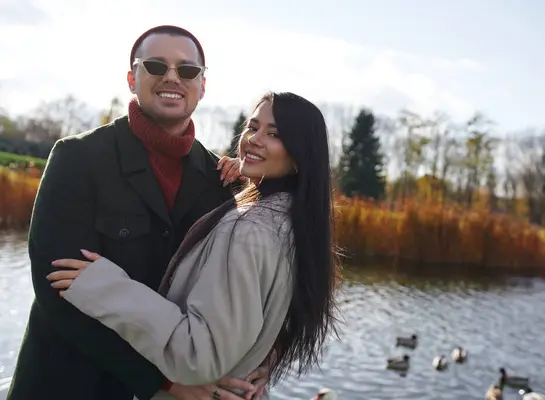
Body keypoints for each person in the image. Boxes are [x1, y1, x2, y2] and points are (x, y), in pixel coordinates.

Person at [7, 25, 269, 400]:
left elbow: (246, 292)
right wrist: (163, 382)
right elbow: (57, 293)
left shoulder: (221, 182)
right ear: (133, 79)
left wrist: (261, 365)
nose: (172, 78)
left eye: (188, 70)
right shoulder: (77, 158)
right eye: (156, 66)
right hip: (67, 384)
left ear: (203, 86)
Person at [47, 91, 341, 399]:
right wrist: (261, 360)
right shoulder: (294, 224)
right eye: (253, 127)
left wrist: (107, 287)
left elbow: (200, 356)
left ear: (300, 154)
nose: (255, 139)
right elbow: (275, 320)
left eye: (275, 134)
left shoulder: (248, 229)